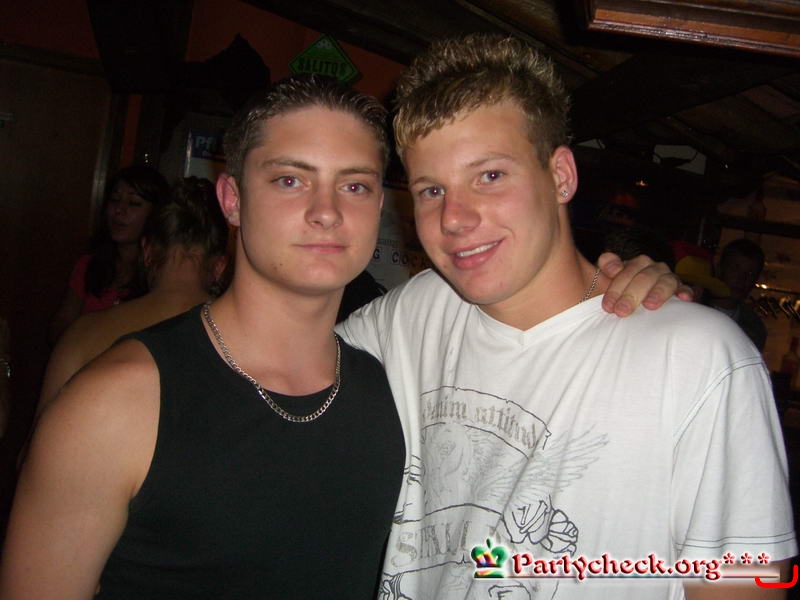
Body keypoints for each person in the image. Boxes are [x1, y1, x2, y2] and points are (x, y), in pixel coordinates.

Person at [2, 74, 680, 598]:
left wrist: (625, 286)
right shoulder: (116, 404)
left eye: (354, 186)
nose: (325, 212)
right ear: (231, 198)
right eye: (290, 179)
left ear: (380, 205)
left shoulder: (392, 370)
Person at [337, 35, 795, 599]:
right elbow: (270, 371)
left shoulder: (699, 356)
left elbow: (749, 581)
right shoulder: (418, 310)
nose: (454, 218)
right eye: (432, 189)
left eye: (490, 176)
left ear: (561, 176)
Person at [36, 176, 229, 416]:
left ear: (146, 251)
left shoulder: (82, 336)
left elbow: (41, 435)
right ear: (219, 266)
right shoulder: (245, 346)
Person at [49, 165, 169, 343]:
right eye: (114, 200)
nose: (119, 210)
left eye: (133, 203)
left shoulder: (163, 274)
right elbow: (61, 324)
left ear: (156, 214)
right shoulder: (90, 265)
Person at [709, 238, 768, 352]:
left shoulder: (754, 329)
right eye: (735, 269)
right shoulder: (693, 304)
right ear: (720, 268)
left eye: (750, 274)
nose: (741, 279)